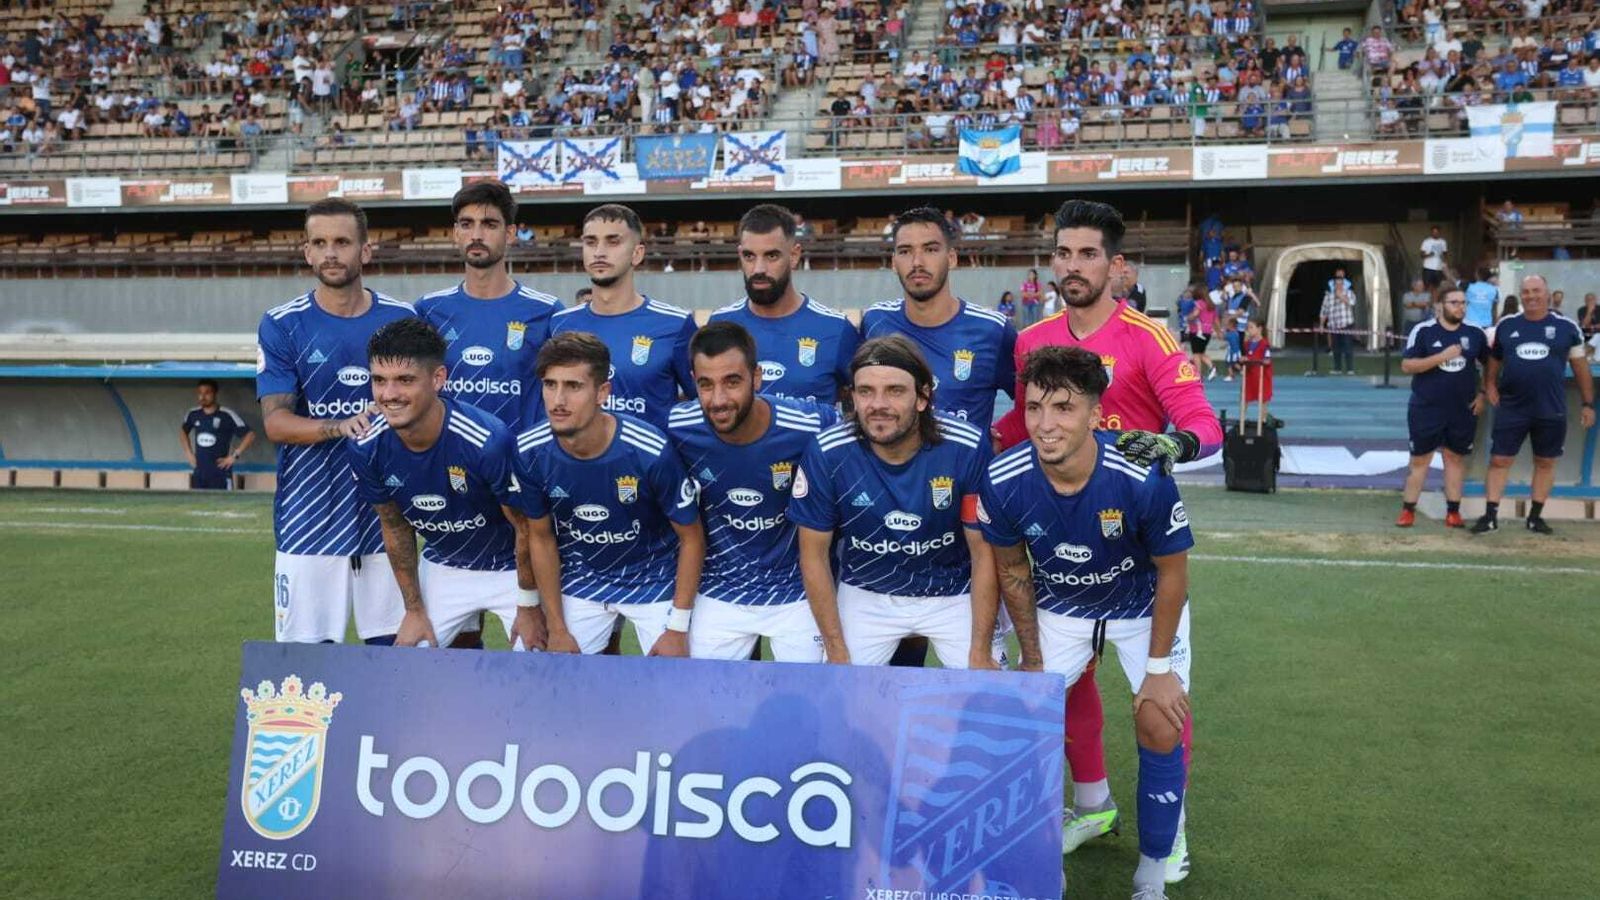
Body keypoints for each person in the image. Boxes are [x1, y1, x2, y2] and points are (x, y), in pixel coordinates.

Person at [990, 199, 1218, 881]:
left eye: (1088, 253)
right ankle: (1091, 805)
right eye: (1063, 253)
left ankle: (1167, 836)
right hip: (1059, 546)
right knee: (1055, 685)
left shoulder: (1147, 337)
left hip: (1140, 552)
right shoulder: (1032, 341)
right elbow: (1020, 429)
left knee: (1159, 703)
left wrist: (1171, 443)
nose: (1072, 266)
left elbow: (1204, 424)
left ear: (1117, 265)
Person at [980, 345, 1194, 900]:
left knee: (1158, 719)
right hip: (1061, 608)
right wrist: (1031, 658)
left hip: (1141, 607)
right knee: (1026, 721)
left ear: (1097, 415)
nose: (1045, 425)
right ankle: (1039, 866)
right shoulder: (1004, 478)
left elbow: (1173, 573)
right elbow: (1011, 569)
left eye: (1063, 409)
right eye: (1033, 409)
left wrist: (1157, 667)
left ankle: (1152, 874)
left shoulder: (1141, 475)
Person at [789, 336, 1001, 668]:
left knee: (990, 692)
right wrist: (835, 648)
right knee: (839, 695)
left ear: (922, 397)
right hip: (867, 590)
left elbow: (983, 551)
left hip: (952, 591)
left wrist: (980, 648)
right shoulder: (828, 452)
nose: (878, 404)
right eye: (865, 391)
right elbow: (813, 554)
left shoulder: (966, 448)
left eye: (895, 391)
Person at [256, 199, 414, 645]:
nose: (330, 253)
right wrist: (341, 426)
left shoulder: (401, 321)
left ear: (366, 250)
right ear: (306, 252)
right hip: (309, 518)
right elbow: (277, 423)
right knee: (307, 663)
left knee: (394, 656)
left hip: (388, 518)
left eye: (342, 242)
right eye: (319, 243)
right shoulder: (283, 325)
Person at [346, 318, 554, 650]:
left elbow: (525, 527)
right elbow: (394, 525)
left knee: (538, 664)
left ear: (438, 378)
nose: (389, 394)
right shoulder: (366, 445)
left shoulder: (487, 440)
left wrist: (529, 604)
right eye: (379, 381)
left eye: (405, 380)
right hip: (445, 562)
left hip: (509, 568)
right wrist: (414, 609)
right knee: (411, 665)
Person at [513, 332, 706, 654]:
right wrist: (558, 627)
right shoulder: (530, 451)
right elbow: (540, 537)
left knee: (678, 682)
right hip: (583, 578)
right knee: (537, 665)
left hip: (654, 579)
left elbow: (691, 538)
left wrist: (677, 626)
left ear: (602, 392)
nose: (558, 400)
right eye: (550, 385)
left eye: (573, 386)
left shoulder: (650, 451)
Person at [666, 322, 834, 661]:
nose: (719, 400)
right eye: (705, 385)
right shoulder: (677, 427)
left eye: (732, 382)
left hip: (794, 592)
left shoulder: (812, 425)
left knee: (804, 704)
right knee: (708, 703)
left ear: (756, 378)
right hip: (719, 589)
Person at [416, 181, 561, 435]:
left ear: (510, 233)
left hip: (521, 466)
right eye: (466, 224)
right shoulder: (428, 310)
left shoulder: (547, 312)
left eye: (489, 224)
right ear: (455, 233)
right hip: (449, 463)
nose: (476, 235)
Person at [860, 206, 1017, 429]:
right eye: (905, 251)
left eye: (930, 249)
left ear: (951, 258)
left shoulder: (993, 330)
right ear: (893, 262)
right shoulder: (875, 321)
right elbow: (852, 394)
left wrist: (994, 442)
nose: (917, 262)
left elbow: (1030, 404)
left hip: (964, 465)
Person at [549, 204, 697, 429]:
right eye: (590, 242)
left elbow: (701, 403)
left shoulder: (676, 325)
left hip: (649, 464)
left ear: (637, 254)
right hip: (579, 462)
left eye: (613, 241)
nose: (599, 251)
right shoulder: (561, 323)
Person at [1473, 275, 1595, 534]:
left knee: (1546, 462)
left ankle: (1535, 517)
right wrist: (1490, 385)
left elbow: (1581, 367)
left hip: (1550, 408)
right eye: (1526, 291)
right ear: (1521, 295)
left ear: (1547, 293)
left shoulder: (1567, 327)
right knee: (1499, 460)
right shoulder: (1506, 325)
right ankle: (1490, 516)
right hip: (1512, 407)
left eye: (1536, 290)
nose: (1531, 296)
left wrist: (1587, 404)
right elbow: (1494, 360)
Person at [707, 204, 861, 404]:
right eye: (749, 256)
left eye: (771, 256)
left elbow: (861, 402)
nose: (758, 269)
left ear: (794, 255)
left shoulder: (836, 328)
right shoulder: (720, 325)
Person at [1398, 287, 1488, 529]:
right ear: (1440, 306)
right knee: (1420, 460)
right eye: (1454, 302)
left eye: (1463, 302)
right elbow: (1407, 365)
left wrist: (1483, 394)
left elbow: (1491, 365)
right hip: (1427, 407)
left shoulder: (1475, 333)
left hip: (1462, 409)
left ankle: (1453, 512)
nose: (1460, 307)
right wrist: (1442, 356)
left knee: (1454, 458)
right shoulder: (1424, 331)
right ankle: (1408, 510)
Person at [181, 379, 255, 490]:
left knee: (224, 506)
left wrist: (234, 456)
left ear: (215, 393)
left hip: (221, 473)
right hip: (200, 473)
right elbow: (183, 431)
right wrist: (188, 453)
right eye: (200, 393)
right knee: (198, 506)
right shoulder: (193, 414)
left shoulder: (226, 415)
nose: (203, 396)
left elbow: (250, 435)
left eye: (207, 392)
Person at [1241, 318, 1276, 425]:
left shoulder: (1264, 344)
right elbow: (1244, 357)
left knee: (1263, 398)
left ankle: (1263, 420)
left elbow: (1267, 360)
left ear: (1259, 329)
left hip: (1262, 375)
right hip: (1249, 375)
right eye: (1248, 328)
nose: (1249, 330)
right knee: (1245, 396)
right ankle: (1242, 419)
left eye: (1251, 327)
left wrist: (1253, 360)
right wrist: (1242, 360)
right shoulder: (1246, 344)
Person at [1320, 279, 1357, 375]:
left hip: (1346, 325)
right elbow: (1324, 311)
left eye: (1341, 284)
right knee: (1336, 348)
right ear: (1334, 285)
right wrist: (1321, 325)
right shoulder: (1328, 296)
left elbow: (1352, 303)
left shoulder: (1349, 293)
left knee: (1348, 347)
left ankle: (1350, 369)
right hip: (1333, 326)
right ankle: (1337, 369)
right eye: (1337, 284)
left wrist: (1341, 297)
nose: (1339, 286)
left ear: (1344, 285)